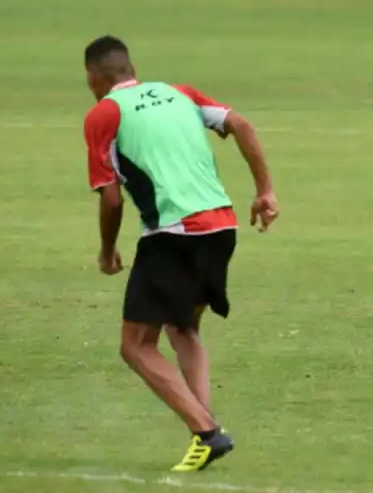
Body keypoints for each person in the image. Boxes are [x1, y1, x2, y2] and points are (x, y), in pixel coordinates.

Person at [82, 35, 279, 471]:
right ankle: (206, 429)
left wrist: (107, 250)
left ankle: (207, 433)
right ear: (130, 67)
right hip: (222, 227)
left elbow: (112, 199)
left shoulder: (103, 114)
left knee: (136, 346)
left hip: (174, 233)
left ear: (93, 77)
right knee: (182, 327)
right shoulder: (179, 93)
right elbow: (241, 125)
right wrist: (265, 190)